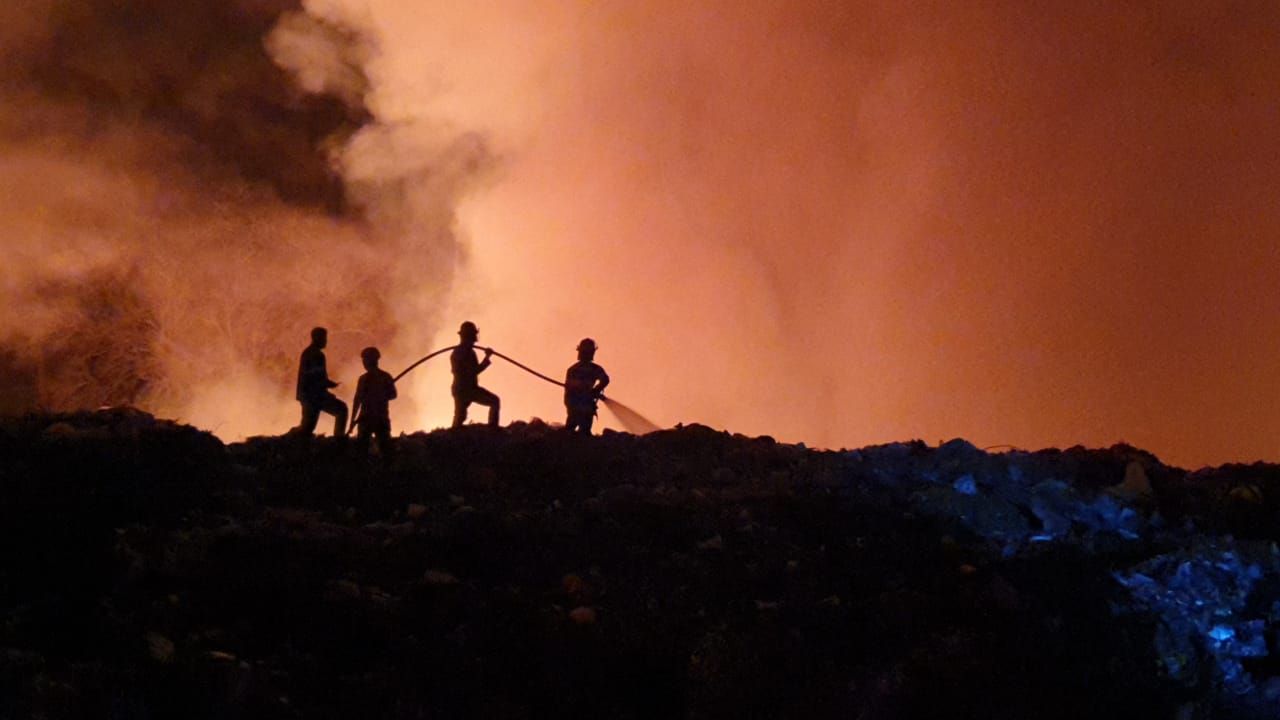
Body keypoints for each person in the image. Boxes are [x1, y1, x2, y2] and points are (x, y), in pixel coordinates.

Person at [294, 326, 348, 437]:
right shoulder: (317, 355)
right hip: (314, 396)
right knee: (341, 410)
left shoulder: (308, 353)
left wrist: (327, 384)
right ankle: (339, 440)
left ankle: (289, 439)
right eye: (324, 338)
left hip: (309, 396)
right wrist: (329, 384)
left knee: (307, 427)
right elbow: (316, 377)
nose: (325, 341)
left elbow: (313, 376)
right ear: (317, 338)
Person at [450, 321, 500, 428]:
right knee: (494, 401)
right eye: (473, 335)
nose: (475, 338)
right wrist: (487, 357)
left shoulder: (462, 351)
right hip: (465, 390)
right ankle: (493, 431)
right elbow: (474, 370)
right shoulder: (464, 352)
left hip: (462, 389)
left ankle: (454, 433)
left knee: (460, 417)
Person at [351, 346, 397, 460]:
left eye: (365, 359)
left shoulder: (367, 379)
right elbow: (357, 399)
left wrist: (352, 420)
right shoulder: (385, 377)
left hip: (371, 418)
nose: (364, 362)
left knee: (379, 449)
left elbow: (358, 400)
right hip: (374, 418)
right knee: (382, 449)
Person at [564, 338, 609, 435]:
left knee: (574, 432)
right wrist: (595, 391)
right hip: (578, 406)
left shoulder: (575, 369)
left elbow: (605, 380)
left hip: (582, 406)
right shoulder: (576, 370)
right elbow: (568, 392)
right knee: (575, 431)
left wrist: (595, 390)